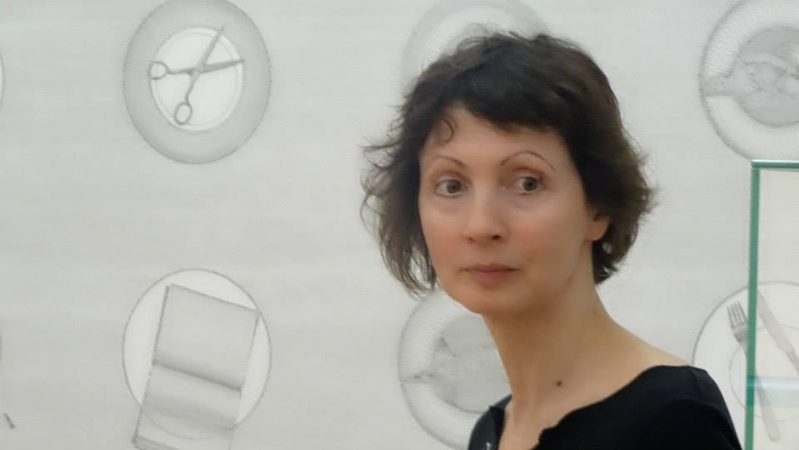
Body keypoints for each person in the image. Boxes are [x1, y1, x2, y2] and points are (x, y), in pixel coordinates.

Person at [361, 32, 742, 450]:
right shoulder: (492, 433)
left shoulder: (672, 421)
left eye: (527, 182)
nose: (481, 225)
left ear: (597, 206)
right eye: (451, 185)